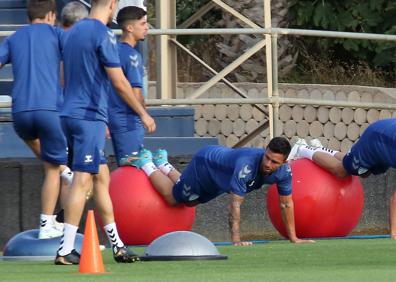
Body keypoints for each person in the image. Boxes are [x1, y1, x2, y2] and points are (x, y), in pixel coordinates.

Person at [55, 0, 155, 265]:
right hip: (89, 116)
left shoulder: (73, 30)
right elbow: (120, 83)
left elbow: (63, 74)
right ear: (112, 4)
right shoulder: (102, 34)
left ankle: (118, 246)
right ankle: (65, 250)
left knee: (101, 178)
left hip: (71, 112)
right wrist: (143, 113)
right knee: (83, 179)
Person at [126, 137, 315, 245]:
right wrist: (236, 240)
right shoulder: (246, 167)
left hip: (221, 180)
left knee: (191, 202)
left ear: (284, 162)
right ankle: (147, 162)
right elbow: (235, 205)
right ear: (264, 151)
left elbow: (286, 203)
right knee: (174, 198)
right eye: (266, 157)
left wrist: (294, 238)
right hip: (206, 164)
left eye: (274, 162)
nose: (267, 164)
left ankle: (163, 163)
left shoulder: (285, 172)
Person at [0, 0, 73, 239]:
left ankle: (64, 169)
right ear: (52, 15)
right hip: (49, 109)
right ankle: (47, 224)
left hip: (20, 112)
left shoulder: (13, 38)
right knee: (53, 168)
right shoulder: (56, 34)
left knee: (46, 155)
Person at [287, 118, 396, 239]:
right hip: (376, 138)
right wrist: (393, 234)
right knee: (341, 171)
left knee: (363, 172)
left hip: (385, 138)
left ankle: (321, 149)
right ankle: (302, 148)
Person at [108, 6, 148, 166]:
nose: (147, 28)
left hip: (111, 116)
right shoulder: (132, 55)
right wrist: (144, 114)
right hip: (128, 119)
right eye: (143, 24)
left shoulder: (111, 50)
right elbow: (136, 92)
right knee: (133, 167)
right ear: (129, 28)